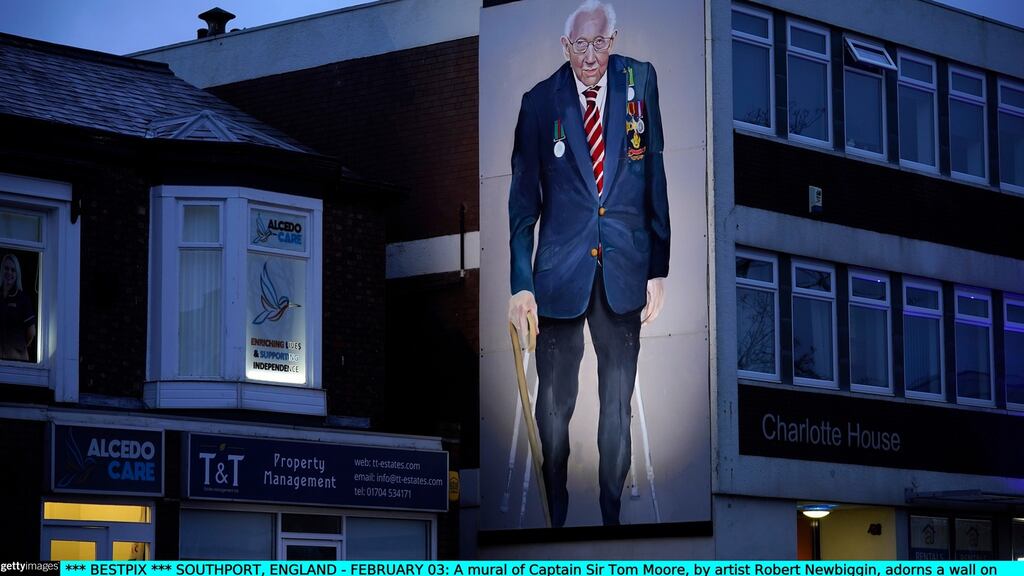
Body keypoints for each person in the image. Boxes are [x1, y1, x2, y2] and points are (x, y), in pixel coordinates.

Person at [507, 0, 670, 527]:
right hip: (558, 278)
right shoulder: (538, 103)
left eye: (600, 42)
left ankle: (611, 518)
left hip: (625, 270)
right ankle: (555, 512)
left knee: (617, 406)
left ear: (613, 41)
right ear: (565, 47)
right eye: (580, 45)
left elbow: (655, 173)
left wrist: (658, 265)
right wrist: (520, 284)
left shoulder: (640, 81)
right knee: (553, 410)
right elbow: (522, 203)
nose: (591, 55)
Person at [0, 253, 36, 362]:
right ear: (2, 270)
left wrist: (18, 347)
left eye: (13, 270)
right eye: (6, 268)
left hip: (17, 360)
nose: (9, 272)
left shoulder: (23, 299)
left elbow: (31, 333)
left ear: (17, 274)